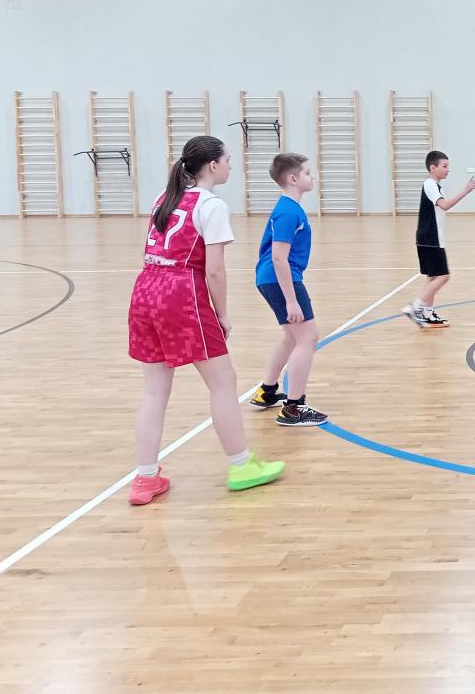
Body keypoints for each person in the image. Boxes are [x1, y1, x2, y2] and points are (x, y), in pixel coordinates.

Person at [126, 135, 285, 505]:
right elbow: (214, 270)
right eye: (228, 160)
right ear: (213, 166)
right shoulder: (212, 206)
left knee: (154, 391)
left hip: (145, 290)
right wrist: (222, 314)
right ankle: (241, 465)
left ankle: (145, 478)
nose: (231, 166)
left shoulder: (163, 198)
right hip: (181, 294)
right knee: (223, 383)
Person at [250, 152, 328, 426]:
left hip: (272, 279)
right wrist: (291, 300)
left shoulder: (290, 208)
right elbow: (278, 258)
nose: (312, 176)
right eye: (307, 172)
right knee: (308, 338)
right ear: (293, 179)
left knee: (293, 338)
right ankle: (294, 408)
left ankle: (267, 391)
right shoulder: (288, 211)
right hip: (281, 279)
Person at [403, 150, 475, 328]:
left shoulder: (434, 185)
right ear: (433, 168)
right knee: (443, 276)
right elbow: (444, 205)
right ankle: (415, 307)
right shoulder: (430, 185)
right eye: (444, 166)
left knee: (433, 277)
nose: (447, 169)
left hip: (428, 238)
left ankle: (427, 314)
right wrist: (465, 191)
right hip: (431, 238)